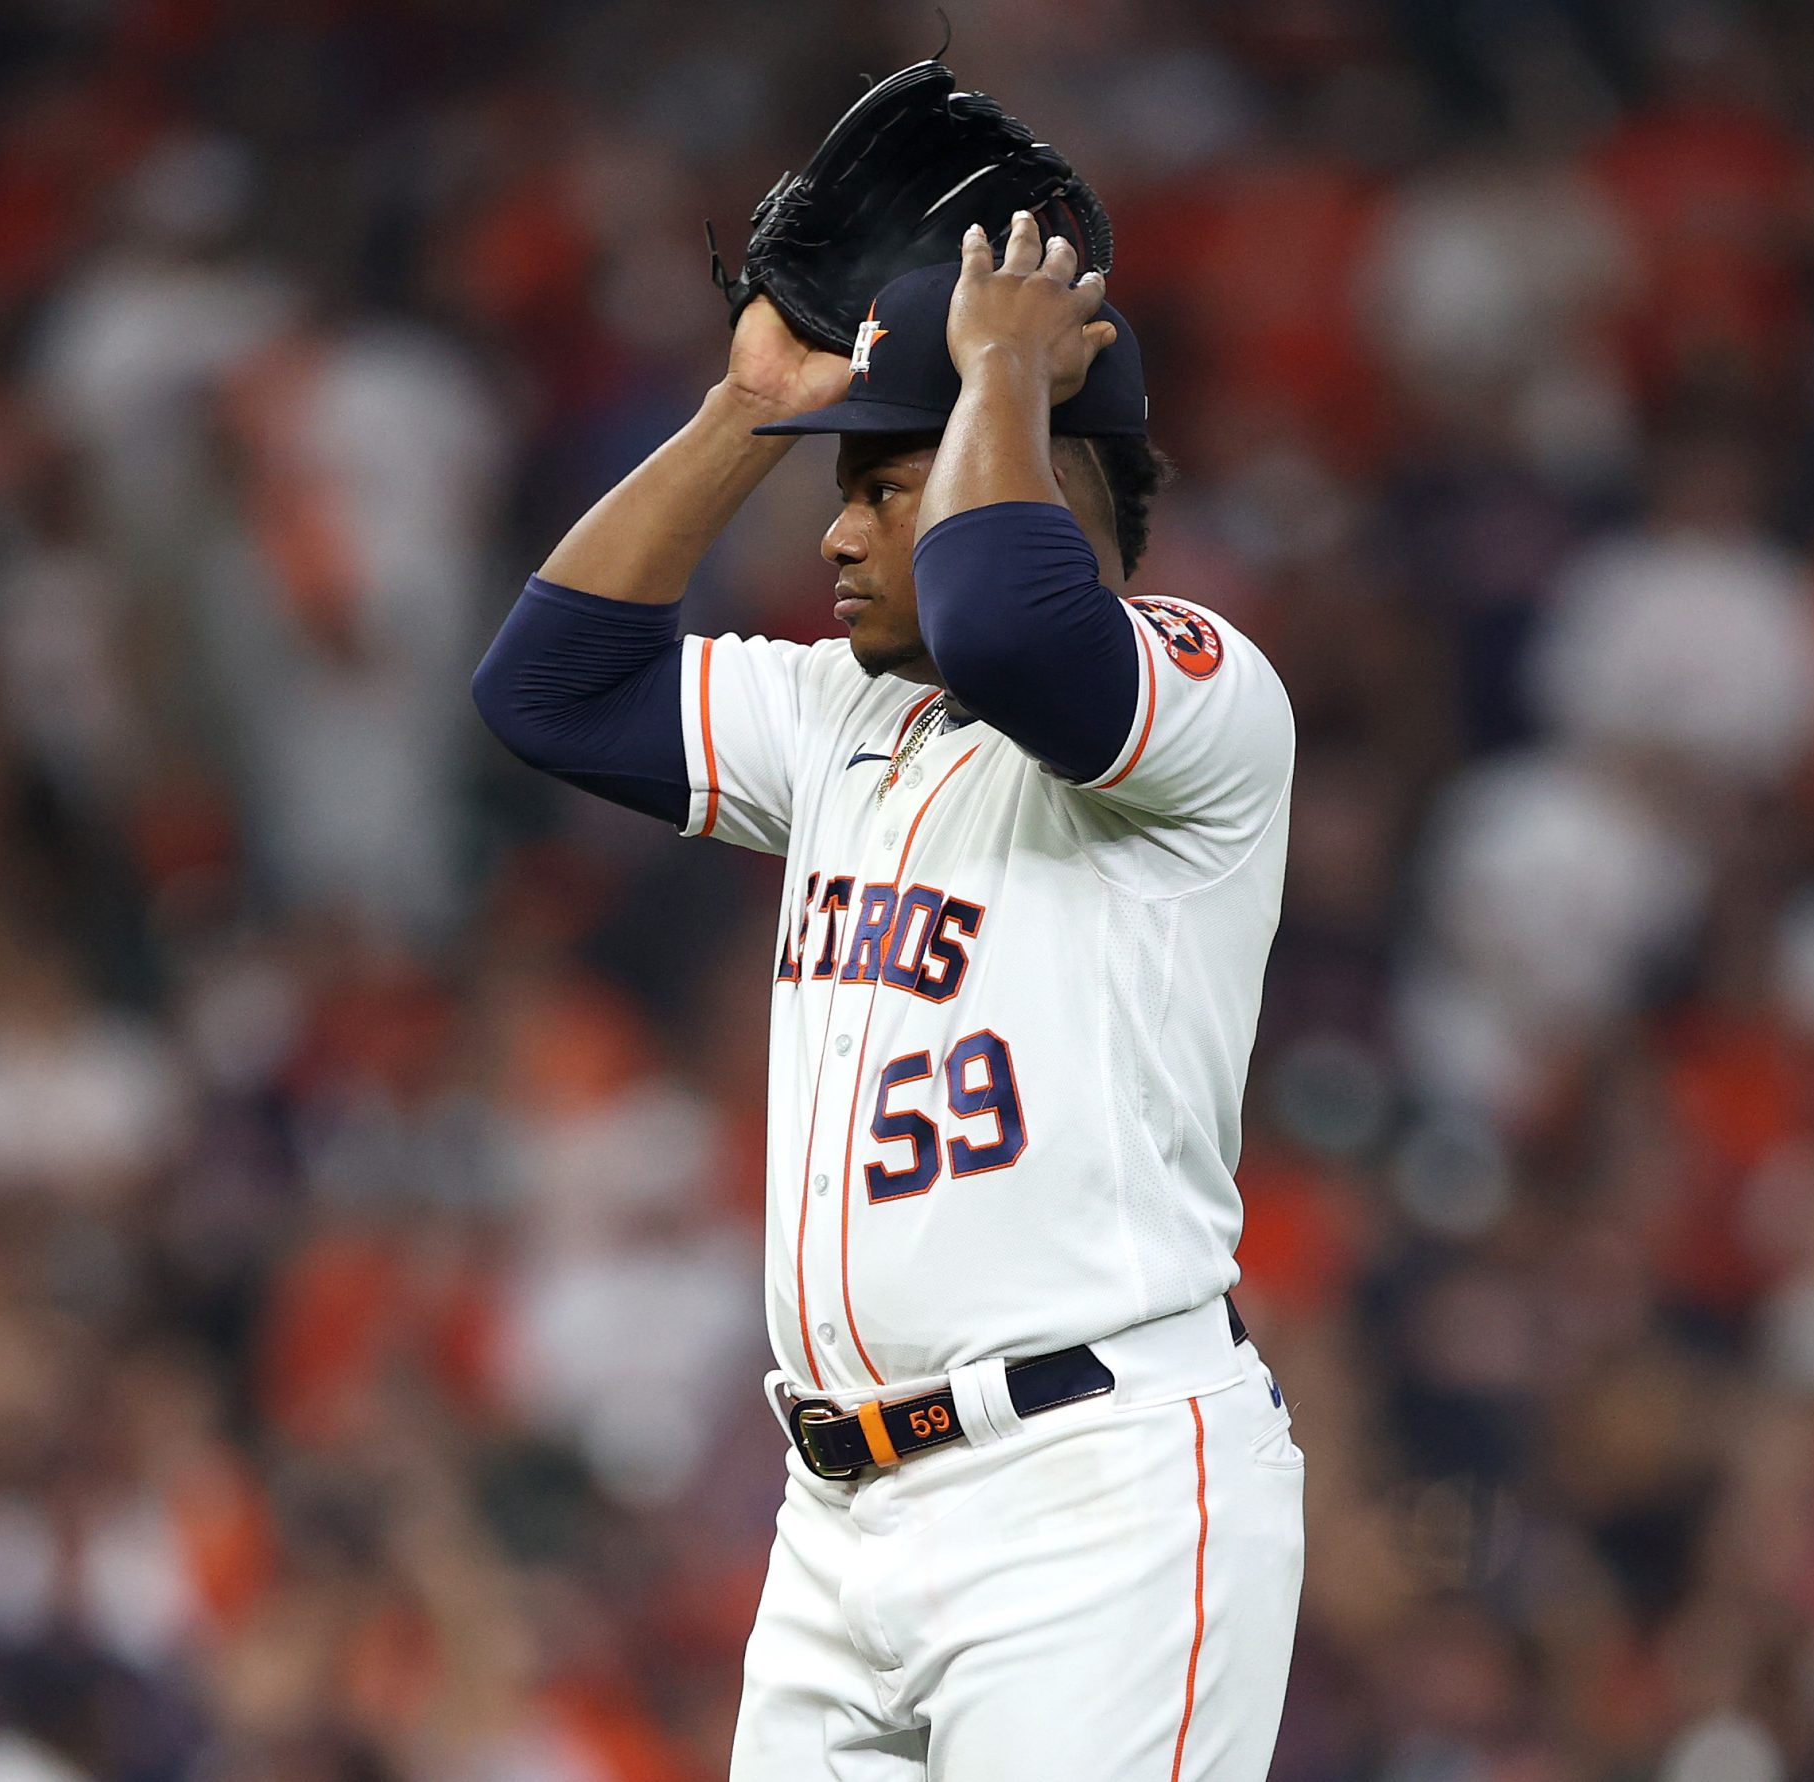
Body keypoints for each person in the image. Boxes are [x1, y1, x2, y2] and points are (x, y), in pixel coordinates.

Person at [473, 211, 1303, 1779]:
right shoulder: (841, 715)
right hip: (841, 1518)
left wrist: (996, 368)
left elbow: (1013, 627)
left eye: (878, 484)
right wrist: (742, 413)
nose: (834, 536)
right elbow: (548, 687)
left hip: (1094, 1493)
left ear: (1037, 470)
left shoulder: (1202, 693)